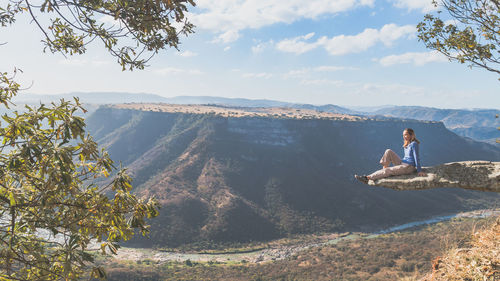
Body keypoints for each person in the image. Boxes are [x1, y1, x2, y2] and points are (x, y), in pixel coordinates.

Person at [355, 128, 426, 184]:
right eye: (403, 135)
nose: (404, 136)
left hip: (408, 167)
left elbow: (416, 157)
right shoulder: (407, 144)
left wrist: (419, 170)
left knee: (389, 170)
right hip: (402, 163)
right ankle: (384, 170)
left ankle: (368, 178)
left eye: (406, 134)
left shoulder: (414, 144)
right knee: (388, 151)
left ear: (411, 135)